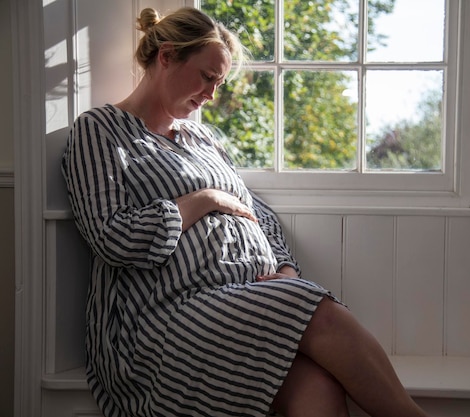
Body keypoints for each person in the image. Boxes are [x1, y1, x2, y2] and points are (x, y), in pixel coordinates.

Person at [62, 6, 429, 417]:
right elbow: (113, 237)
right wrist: (202, 201)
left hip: (241, 299)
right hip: (162, 317)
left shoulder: (203, 139)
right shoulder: (99, 130)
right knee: (320, 312)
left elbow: (258, 214)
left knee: (317, 384)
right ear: (166, 57)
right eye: (207, 77)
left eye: (219, 83)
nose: (212, 95)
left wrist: (286, 269)